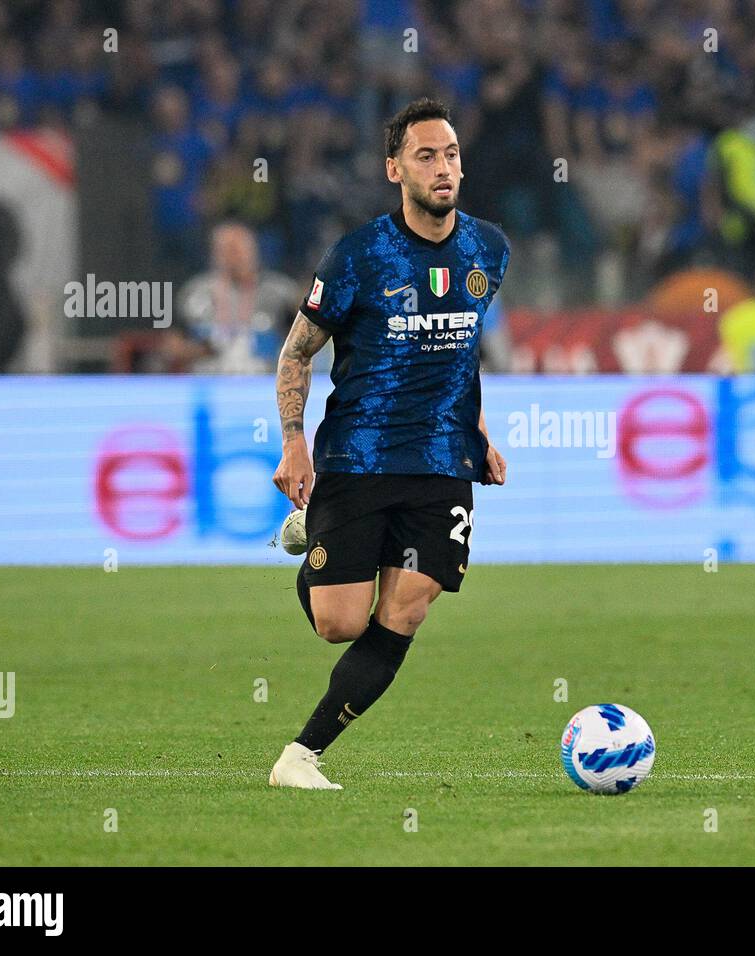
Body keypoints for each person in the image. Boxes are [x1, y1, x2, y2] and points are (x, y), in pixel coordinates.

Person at [267, 98, 509, 790]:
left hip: (442, 462)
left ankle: (300, 756)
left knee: (407, 607)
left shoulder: (488, 249)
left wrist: (480, 433)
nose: (443, 167)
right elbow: (295, 353)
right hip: (359, 456)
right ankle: (314, 534)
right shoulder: (359, 255)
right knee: (339, 624)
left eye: (452, 154)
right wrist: (293, 444)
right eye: (427, 155)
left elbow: (463, 353)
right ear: (394, 167)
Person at [169, 222, 300, 374]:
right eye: (227, 250)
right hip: (207, 385)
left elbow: (306, 341)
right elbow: (172, 345)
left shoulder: (281, 292)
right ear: (214, 253)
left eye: (239, 249)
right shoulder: (194, 293)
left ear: (253, 250)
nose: (234, 257)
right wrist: (198, 351)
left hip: (264, 385)